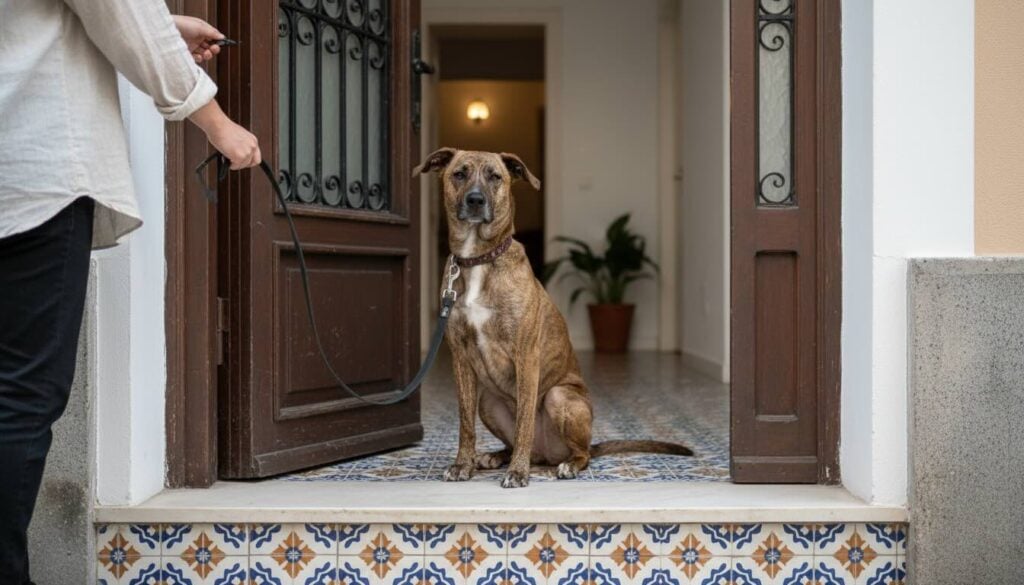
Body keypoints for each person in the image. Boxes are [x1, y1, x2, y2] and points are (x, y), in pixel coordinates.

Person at [0, 1, 260, 582]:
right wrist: (217, 122)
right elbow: (122, 13)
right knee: (21, 398)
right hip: (35, 175)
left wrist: (165, 27)